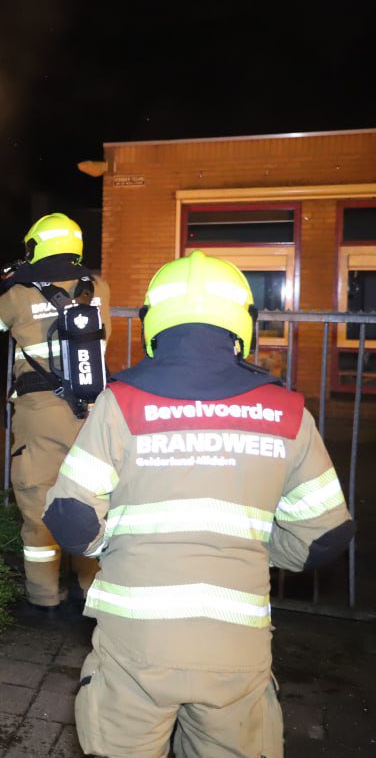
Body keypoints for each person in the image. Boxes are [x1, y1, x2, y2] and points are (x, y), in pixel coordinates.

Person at [43, 250, 354, 758]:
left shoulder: (119, 403)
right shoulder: (288, 411)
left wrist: (124, 540)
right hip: (236, 651)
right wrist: (248, 545)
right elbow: (324, 535)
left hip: (136, 647)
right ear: (243, 325)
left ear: (153, 324)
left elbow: (72, 519)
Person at [0, 212, 108, 615]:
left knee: (38, 505)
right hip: (92, 414)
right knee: (88, 503)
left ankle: (44, 598)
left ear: (36, 247)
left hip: (39, 412)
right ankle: (93, 592)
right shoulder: (98, 287)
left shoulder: (20, 294)